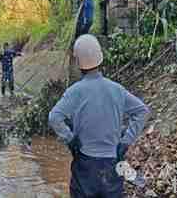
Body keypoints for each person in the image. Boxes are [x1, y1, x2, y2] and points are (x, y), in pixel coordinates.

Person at [49, 34, 150, 198]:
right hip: (112, 164)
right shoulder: (117, 89)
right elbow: (142, 111)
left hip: (85, 165)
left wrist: (70, 139)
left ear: (78, 62)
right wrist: (126, 142)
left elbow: (54, 117)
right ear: (100, 58)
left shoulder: (75, 91)